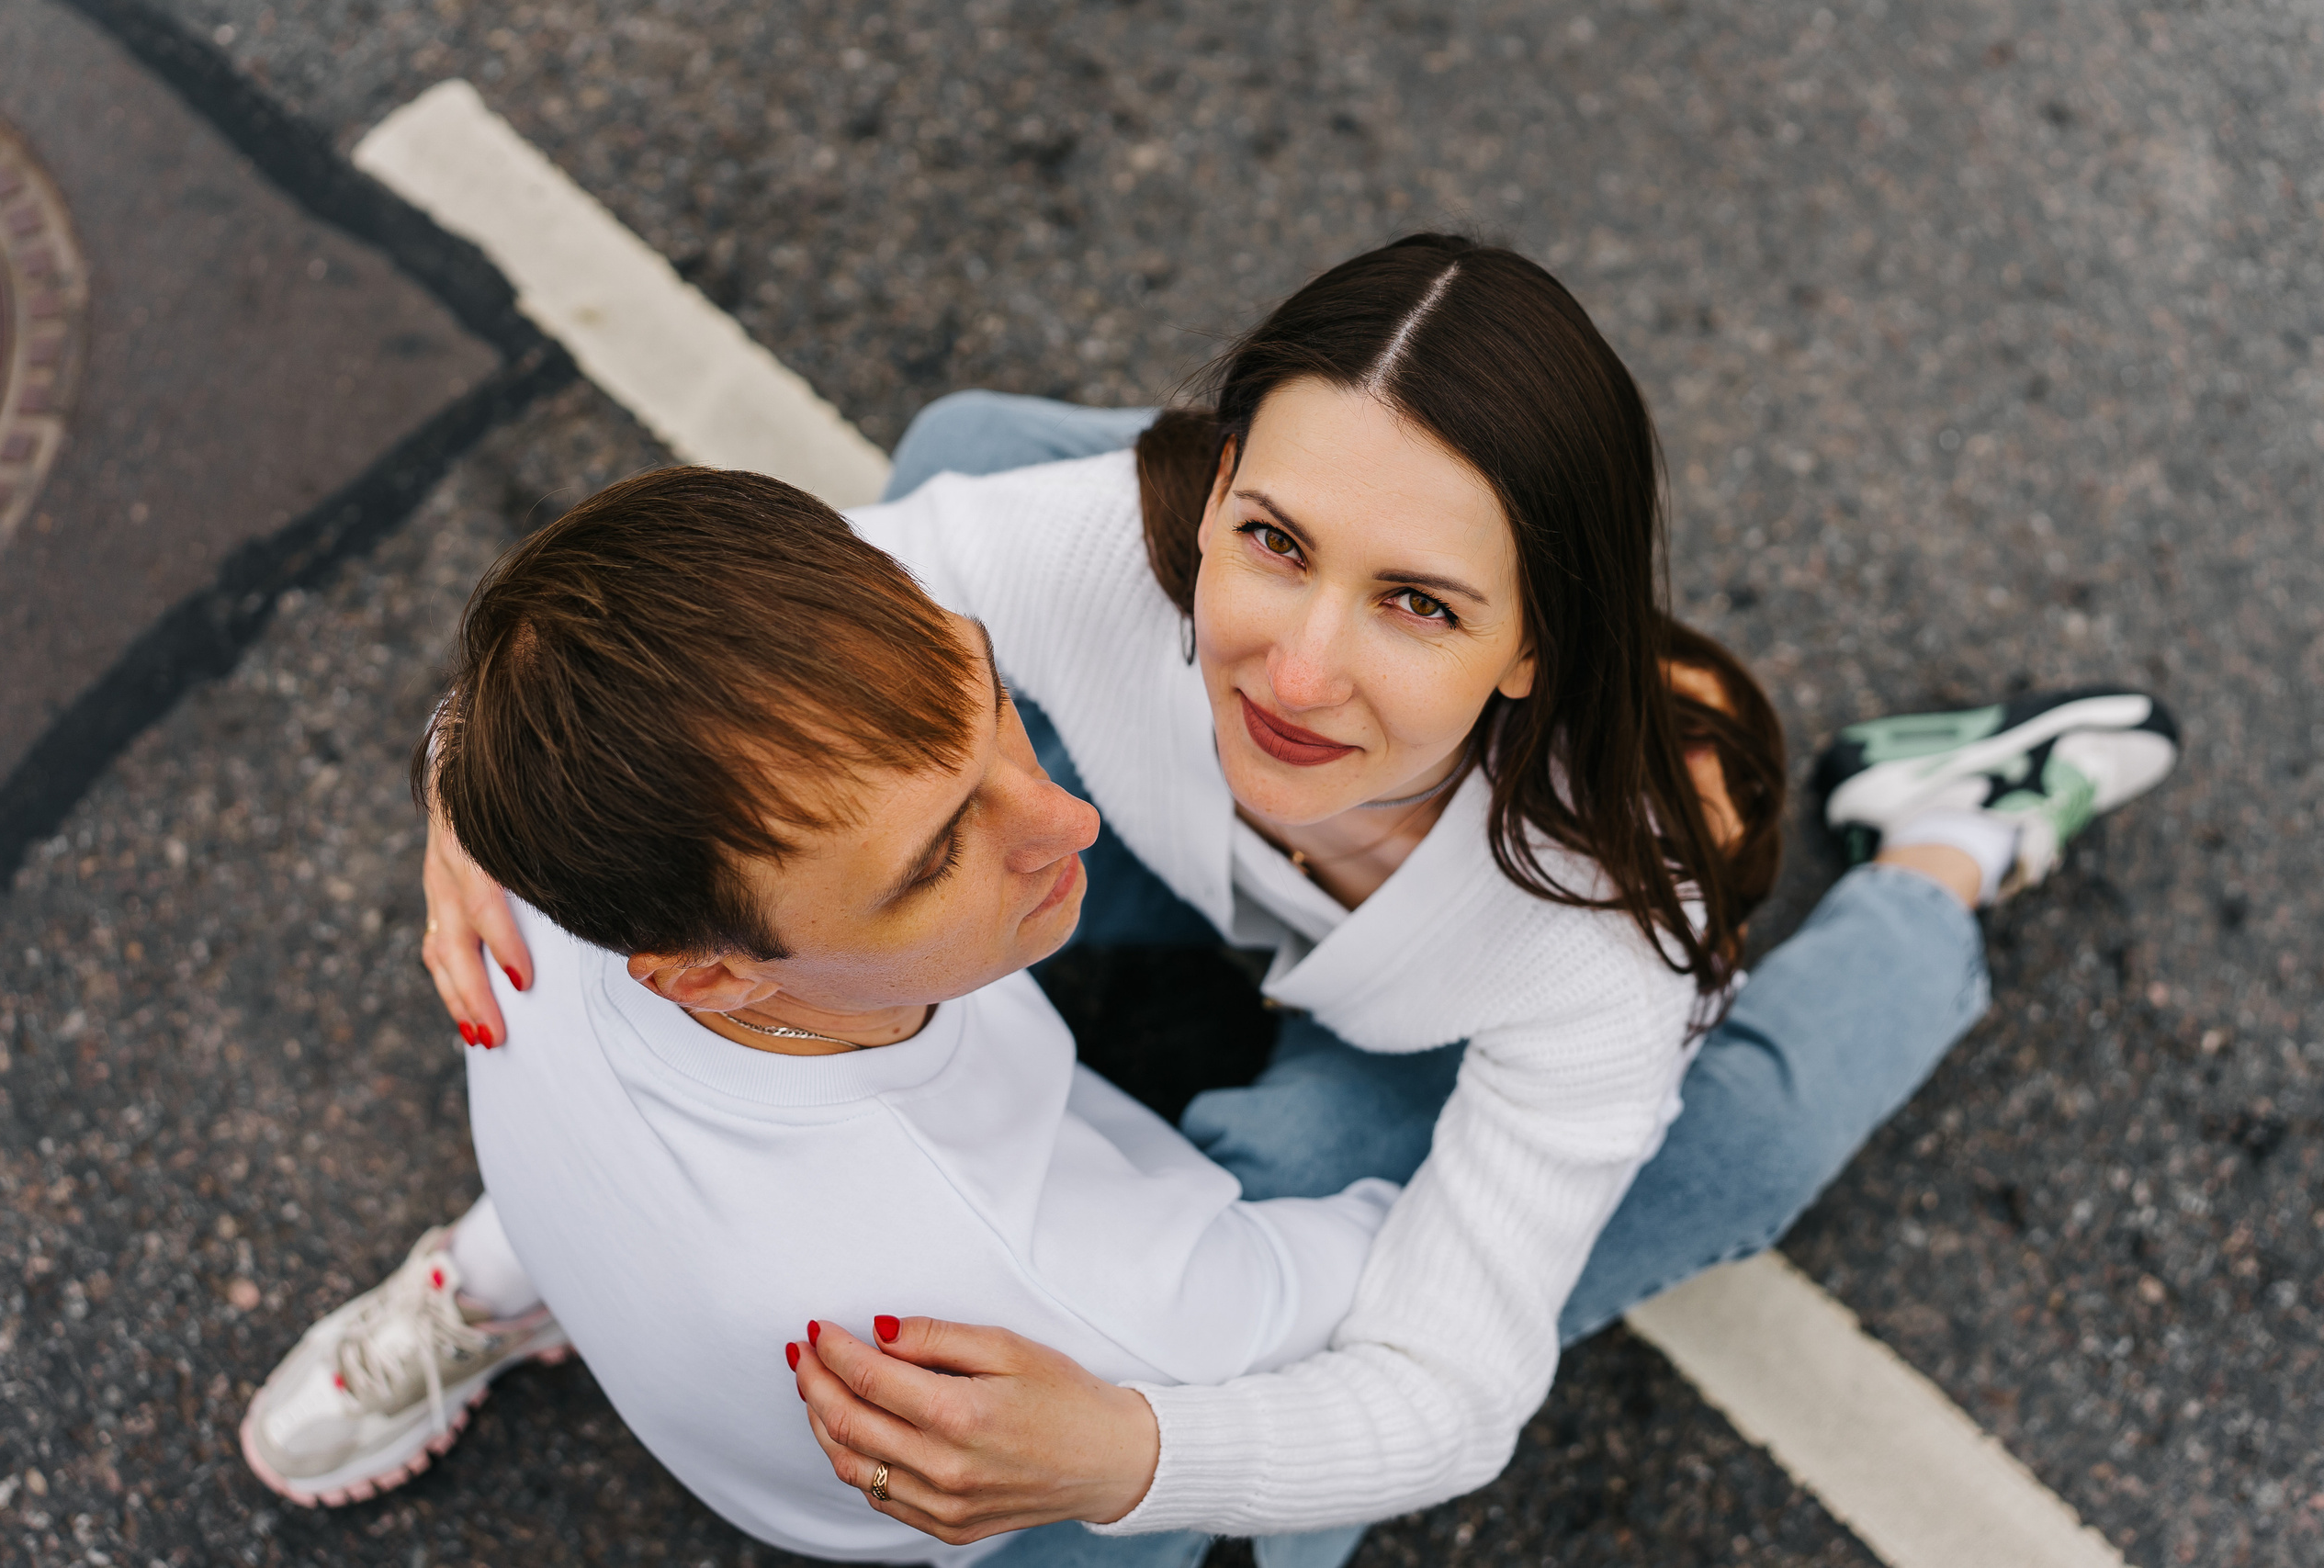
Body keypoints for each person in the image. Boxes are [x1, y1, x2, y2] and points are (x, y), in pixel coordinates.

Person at [325, 235, 2178, 1551]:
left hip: (1422, 1013)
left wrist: (1130, 1447)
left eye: (1418, 602)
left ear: (1538, 634)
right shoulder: (1082, 560)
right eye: (1271, 542)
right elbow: (659, 670)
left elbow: (1452, 1392)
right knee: (971, 454)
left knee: (1711, 1149)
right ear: (1212, 495)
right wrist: (471, 775)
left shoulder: (1586, 942)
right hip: (1154, 842)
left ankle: (1946, 838)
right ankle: (555, 1249)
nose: (1291, 671)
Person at [240, 468, 1402, 1568]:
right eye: (939, 854)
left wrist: (450, 774)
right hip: (968, 1438)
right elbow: (1347, 1291)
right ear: (709, 977)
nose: (1067, 819)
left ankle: (507, 1275)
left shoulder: (529, 851)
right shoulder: (1019, 1274)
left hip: (654, 1212)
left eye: (984, 685)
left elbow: (489, 702)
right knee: (1382, 1132)